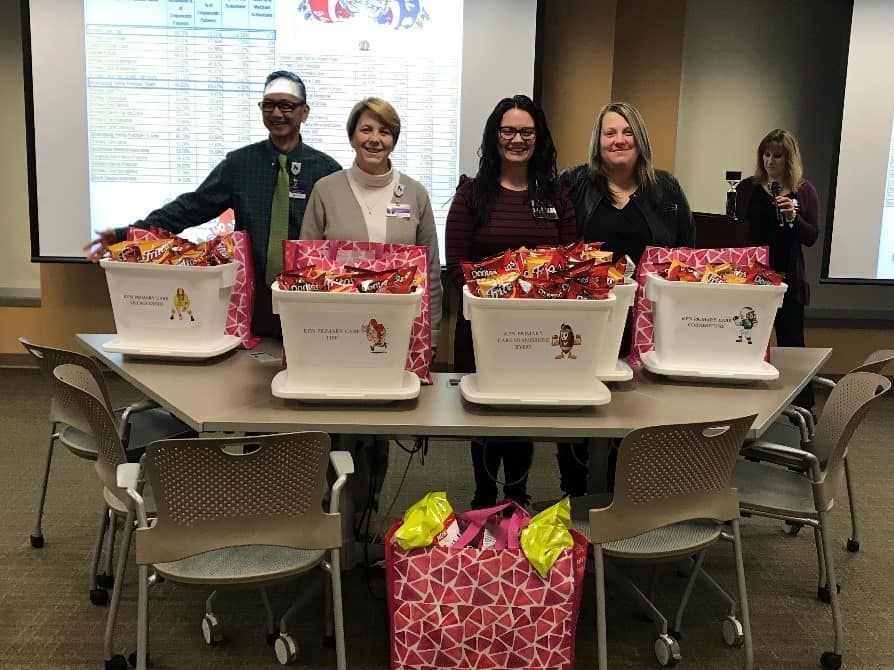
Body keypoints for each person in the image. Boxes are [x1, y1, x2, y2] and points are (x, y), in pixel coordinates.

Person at [86, 70, 341, 337]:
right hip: (248, 296)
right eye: (269, 105)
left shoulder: (326, 171)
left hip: (306, 293)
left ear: (305, 112)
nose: (277, 113)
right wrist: (126, 234)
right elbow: (190, 208)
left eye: (286, 105)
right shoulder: (239, 164)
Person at [300, 97, 443, 530]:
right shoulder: (326, 189)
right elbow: (304, 267)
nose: (375, 139)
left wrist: (430, 337)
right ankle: (327, 512)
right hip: (335, 333)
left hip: (393, 336)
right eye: (366, 129)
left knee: (377, 426)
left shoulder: (414, 194)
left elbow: (431, 272)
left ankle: (365, 515)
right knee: (333, 424)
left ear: (393, 139)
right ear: (352, 135)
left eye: (384, 131)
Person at [445, 94, 577, 509]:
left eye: (526, 131)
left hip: (539, 329)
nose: (516, 139)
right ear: (494, 136)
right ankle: (484, 498)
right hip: (483, 327)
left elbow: (572, 263)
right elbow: (457, 266)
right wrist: (503, 290)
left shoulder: (556, 194)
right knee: (486, 415)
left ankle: (518, 499)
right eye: (508, 130)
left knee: (523, 415)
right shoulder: (471, 195)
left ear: (539, 138)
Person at [560, 101, 695, 494]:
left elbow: (684, 256)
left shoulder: (666, 190)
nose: (619, 140)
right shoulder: (572, 184)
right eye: (610, 133)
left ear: (639, 138)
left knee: (638, 410)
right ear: (597, 141)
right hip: (589, 320)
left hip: (648, 323)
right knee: (581, 407)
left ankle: (629, 498)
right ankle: (576, 494)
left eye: (626, 132)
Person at [736, 128, 819, 411]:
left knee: (792, 346)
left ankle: (803, 412)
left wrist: (793, 217)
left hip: (788, 279)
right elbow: (737, 230)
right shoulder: (747, 188)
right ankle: (745, 409)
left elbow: (811, 237)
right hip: (754, 279)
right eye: (766, 154)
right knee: (747, 343)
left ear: (789, 158)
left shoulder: (804, 190)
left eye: (777, 155)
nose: (770, 161)